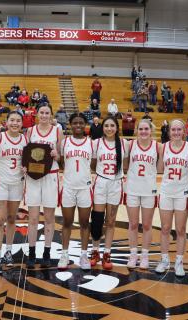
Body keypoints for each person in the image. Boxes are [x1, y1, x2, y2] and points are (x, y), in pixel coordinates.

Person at [25, 104, 63, 269]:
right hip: (33, 177)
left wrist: (57, 155)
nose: (45, 115)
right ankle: (32, 252)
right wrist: (24, 166)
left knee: (49, 217)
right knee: (33, 218)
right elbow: (25, 154)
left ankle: (46, 252)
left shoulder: (57, 131)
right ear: (37, 114)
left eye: (47, 112)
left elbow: (61, 156)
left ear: (51, 115)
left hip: (51, 175)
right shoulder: (30, 131)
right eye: (42, 112)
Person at [0, 111, 28, 274]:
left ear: (22, 123)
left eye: (18, 121)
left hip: (17, 184)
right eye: (12, 120)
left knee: (12, 219)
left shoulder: (25, 140)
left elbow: (29, 159)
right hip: (0, 183)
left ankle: (8, 252)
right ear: (6, 122)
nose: (15, 123)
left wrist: (28, 167)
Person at [90, 117, 127, 270]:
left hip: (116, 184)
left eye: (112, 126)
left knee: (110, 221)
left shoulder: (124, 144)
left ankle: (107, 253)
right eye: (106, 126)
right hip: (100, 183)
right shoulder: (96, 143)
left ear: (117, 128)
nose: (109, 128)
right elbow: (92, 164)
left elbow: (127, 163)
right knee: (97, 221)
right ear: (102, 127)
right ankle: (95, 251)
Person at [156, 119, 188, 277]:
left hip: (182, 193)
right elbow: (159, 169)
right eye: (173, 130)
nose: (176, 132)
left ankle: (179, 261)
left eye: (179, 130)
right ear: (169, 131)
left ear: (184, 132)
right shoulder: (163, 147)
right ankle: (164, 260)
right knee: (164, 228)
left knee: (180, 229)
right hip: (166, 191)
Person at [58, 113, 93, 271]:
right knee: (67, 222)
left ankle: (84, 255)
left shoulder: (92, 143)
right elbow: (58, 161)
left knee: (85, 223)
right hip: (68, 187)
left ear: (85, 124)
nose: (78, 125)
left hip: (85, 188)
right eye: (75, 123)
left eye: (81, 123)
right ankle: (64, 254)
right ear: (70, 125)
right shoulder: (64, 143)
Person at [124, 119, 160, 269]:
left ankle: (144, 255)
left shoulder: (158, 147)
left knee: (146, 225)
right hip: (132, 189)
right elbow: (125, 164)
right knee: (132, 224)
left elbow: (160, 167)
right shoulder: (130, 145)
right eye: (141, 129)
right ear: (136, 130)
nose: (144, 132)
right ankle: (133, 254)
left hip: (149, 190)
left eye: (146, 129)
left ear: (151, 130)